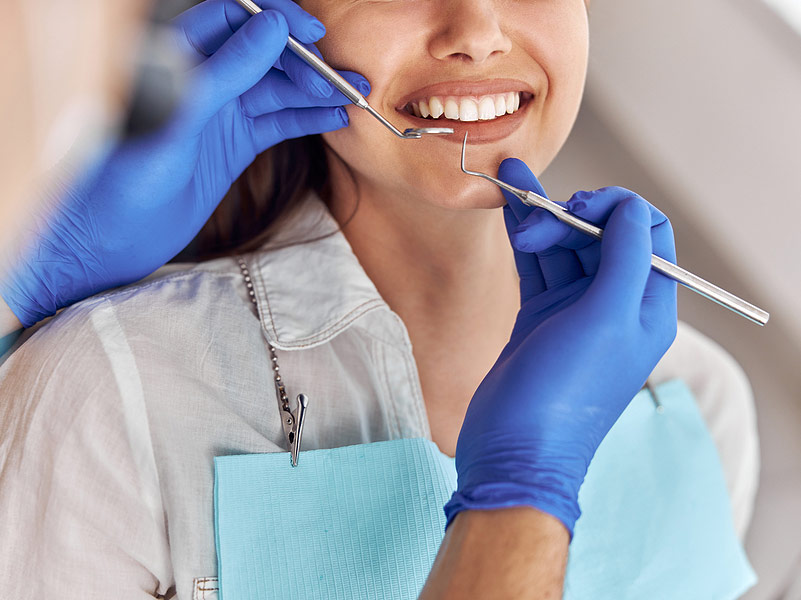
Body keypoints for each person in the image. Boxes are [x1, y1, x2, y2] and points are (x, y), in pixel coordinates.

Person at [0, 0, 758, 598]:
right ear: (281, 20)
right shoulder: (106, 391)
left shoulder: (696, 399)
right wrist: (524, 492)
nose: (477, 31)